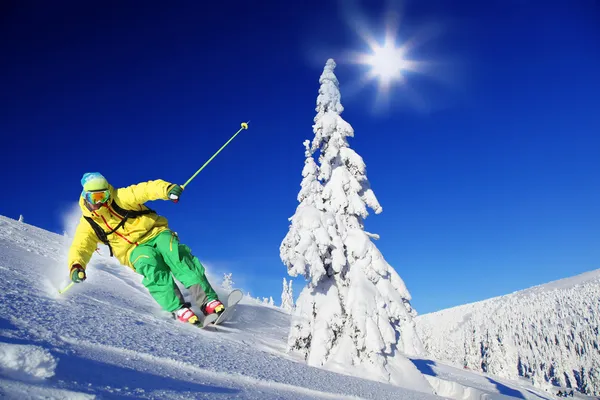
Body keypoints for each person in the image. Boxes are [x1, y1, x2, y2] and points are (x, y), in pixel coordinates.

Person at [67, 172, 224, 325]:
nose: (100, 202)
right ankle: (178, 308)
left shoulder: (121, 197)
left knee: (175, 255)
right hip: (132, 250)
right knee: (151, 267)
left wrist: (167, 190)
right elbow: (81, 246)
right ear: (85, 197)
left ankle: (207, 301)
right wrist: (76, 265)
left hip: (156, 232)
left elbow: (146, 189)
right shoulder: (88, 224)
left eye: (103, 196)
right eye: (94, 197)